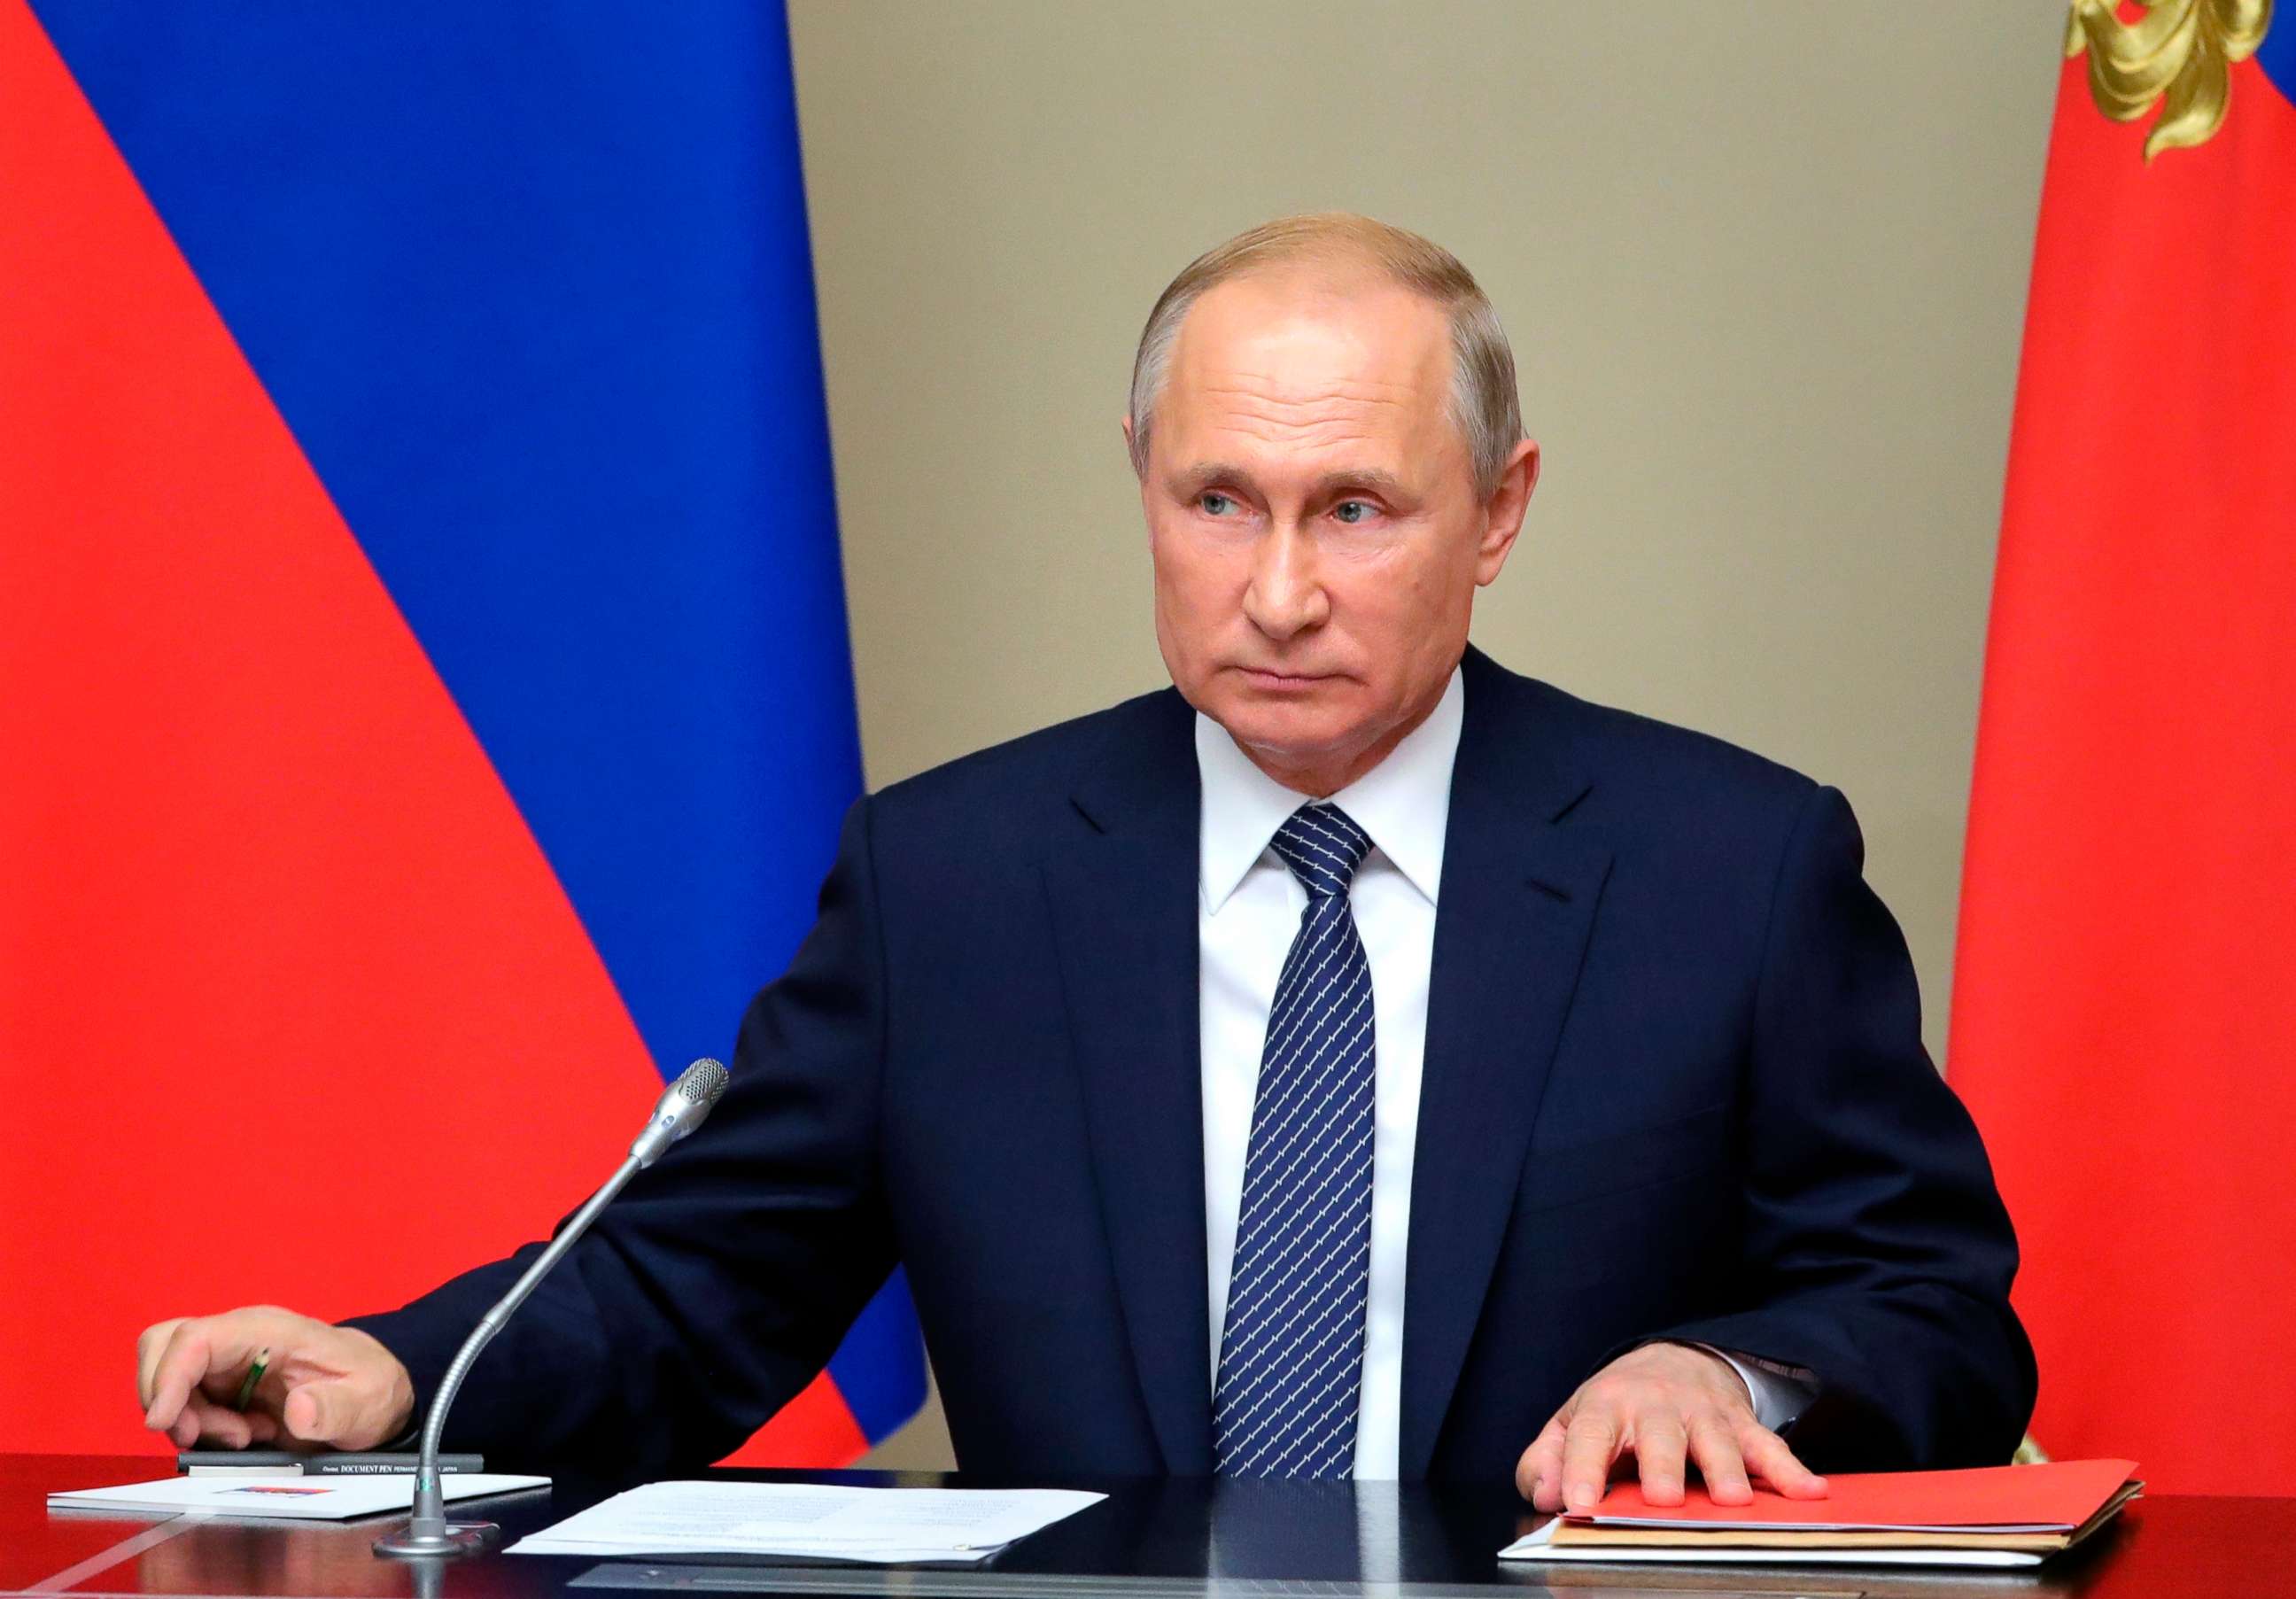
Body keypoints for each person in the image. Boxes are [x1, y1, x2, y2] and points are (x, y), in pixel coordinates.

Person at [136, 213, 2035, 1510]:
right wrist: (393, 1374)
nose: (1277, 590)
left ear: (1499, 511)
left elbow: (1941, 1312)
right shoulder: (955, 878)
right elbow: (697, 1284)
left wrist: (1732, 1366)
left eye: (1355, 510)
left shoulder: (1728, 866)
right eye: (1218, 500)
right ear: (1141, 473)